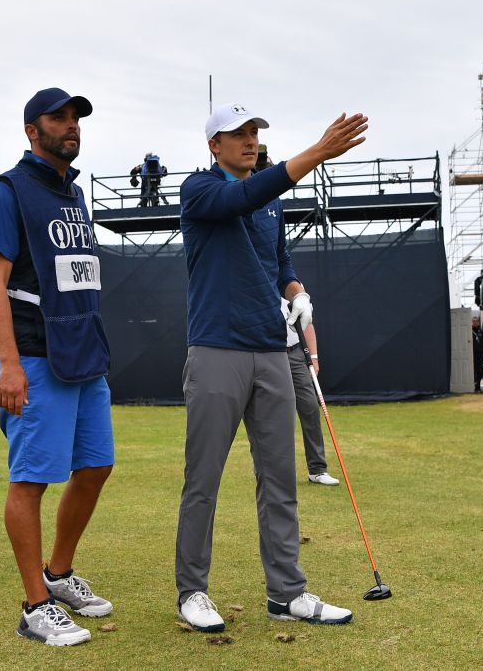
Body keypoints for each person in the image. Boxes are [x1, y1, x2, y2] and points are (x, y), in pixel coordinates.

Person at [175, 102, 366, 632]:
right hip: (216, 349)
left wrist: (295, 290)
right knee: (203, 480)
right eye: (237, 134)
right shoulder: (200, 189)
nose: (249, 140)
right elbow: (244, 195)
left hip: (271, 351)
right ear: (213, 145)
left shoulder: (270, 204)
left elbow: (277, 262)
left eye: (254, 132)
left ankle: (287, 591)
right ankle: (192, 591)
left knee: (279, 478)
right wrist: (317, 154)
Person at [0, 87, 114, 646]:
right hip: (33, 357)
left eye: (76, 118)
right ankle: (35, 607)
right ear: (32, 131)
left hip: (84, 357)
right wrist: (8, 365)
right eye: (58, 119)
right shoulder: (7, 191)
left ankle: (57, 575)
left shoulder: (73, 195)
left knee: (96, 467)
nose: (71, 126)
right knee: (30, 481)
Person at [283, 298, 339, 485]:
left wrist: (313, 358)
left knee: (310, 407)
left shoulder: (291, 287)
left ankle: (317, 469)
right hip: (270, 354)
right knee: (275, 413)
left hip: (296, 353)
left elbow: (307, 324)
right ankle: (278, 471)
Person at [471, 317, 483, 392]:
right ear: (471, 322)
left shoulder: (482, 332)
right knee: (473, 371)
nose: (475, 322)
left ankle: (478, 387)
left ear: (478, 322)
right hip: (471, 354)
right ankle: (473, 386)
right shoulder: (469, 331)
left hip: (479, 354)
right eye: (473, 321)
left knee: (479, 371)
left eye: (476, 321)